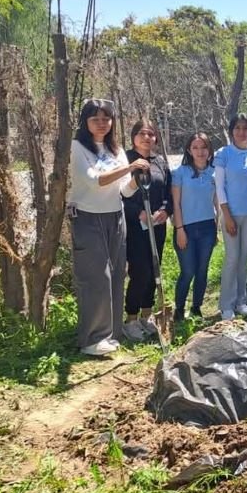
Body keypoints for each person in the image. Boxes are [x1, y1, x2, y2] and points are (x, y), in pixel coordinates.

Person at [67, 98, 149, 356]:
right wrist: (131, 166)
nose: (101, 124)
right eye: (95, 119)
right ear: (86, 121)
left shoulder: (116, 150)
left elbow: (124, 189)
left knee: (115, 276)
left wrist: (136, 178)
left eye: (106, 119)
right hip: (87, 217)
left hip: (116, 216)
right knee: (95, 278)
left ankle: (111, 333)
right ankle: (92, 338)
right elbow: (95, 181)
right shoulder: (77, 147)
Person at [121, 119, 172, 341]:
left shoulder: (160, 161)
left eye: (151, 134)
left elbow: (168, 193)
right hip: (136, 227)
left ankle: (146, 315)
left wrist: (165, 211)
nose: (146, 138)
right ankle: (131, 319)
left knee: (154, 270)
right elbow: (120, 194)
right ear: (133, 137)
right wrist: (138, 212)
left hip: (157, 225)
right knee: (139, 271)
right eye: (142, 134)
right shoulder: (125, 160)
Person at [214, 113, 247, 320]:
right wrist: (227, 215)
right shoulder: (223, 154)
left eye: (245, 128)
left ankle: (241, 301)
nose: (241, 132)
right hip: (230, 214)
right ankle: (226, 304)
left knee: (244, 257)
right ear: (232, 131)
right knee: (232, 258)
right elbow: (219, 187)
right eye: (237, 128)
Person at [171, 133, 218, 322]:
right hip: (186, 228)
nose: (200, 152)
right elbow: (176, 204)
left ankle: (196, 307)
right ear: (189, 150)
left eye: (204, 147)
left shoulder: (215, 172)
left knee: (202, 270)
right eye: (196, 148)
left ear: (209, 150)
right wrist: (179, 229)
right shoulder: (180, 172)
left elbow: (217, 201)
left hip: (207, 228)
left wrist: (218, 228)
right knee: (188, 270)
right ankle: (179, 309)